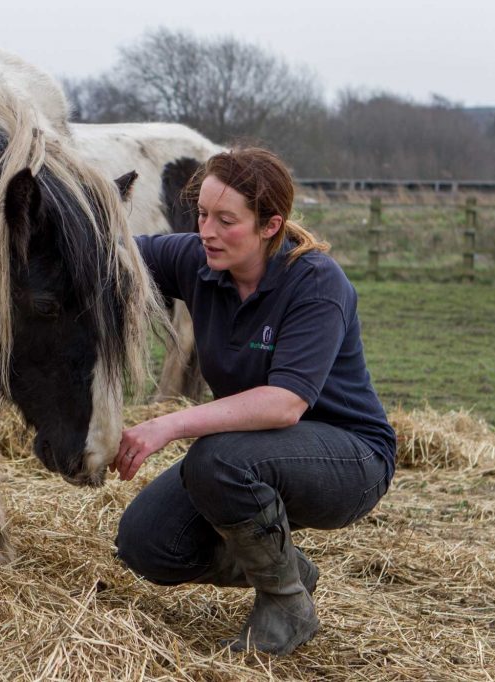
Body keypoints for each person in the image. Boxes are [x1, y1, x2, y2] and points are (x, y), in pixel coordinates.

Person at [112, 147, 396, 656]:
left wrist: (168, 425)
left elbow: (284, 403)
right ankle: (287, 568)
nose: (207, 232)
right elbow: (111, 254)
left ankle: (285, 603)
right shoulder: (197, 261)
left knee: (216, 459)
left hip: (350, 457)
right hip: (253, 452)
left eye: (226, 220)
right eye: (201, 214)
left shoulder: (316, 283)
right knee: (147, 544)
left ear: (270, 225)